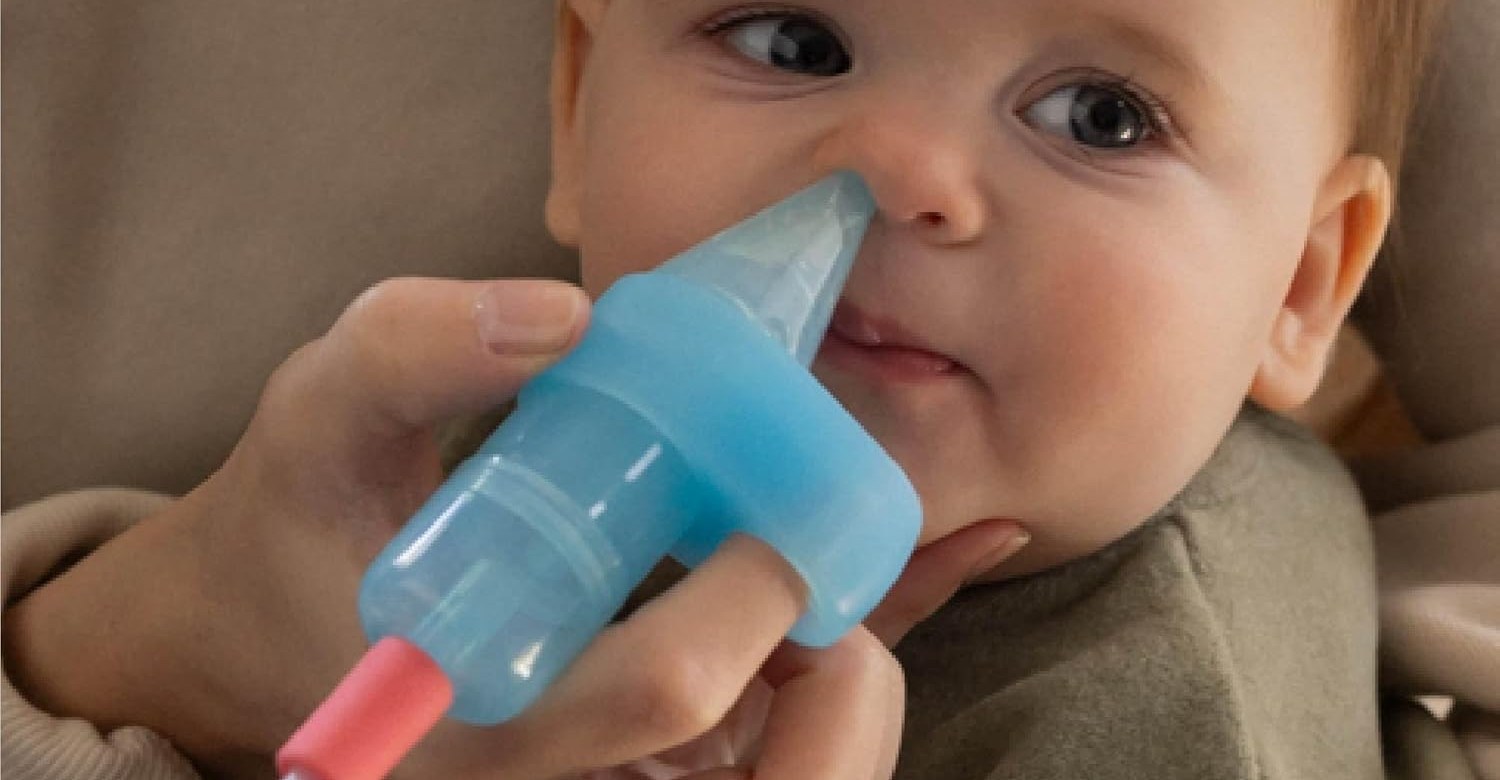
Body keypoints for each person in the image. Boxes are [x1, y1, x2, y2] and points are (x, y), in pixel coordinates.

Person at [1, 0, 1477, 779]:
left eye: (1101, 116)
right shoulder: (413, 460)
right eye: (792, 40)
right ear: (580, 106)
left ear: (1297, 286)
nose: (894, 169)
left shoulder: (1171, 705)